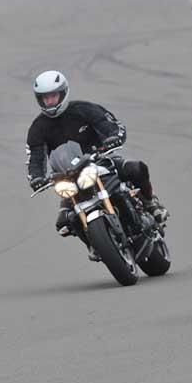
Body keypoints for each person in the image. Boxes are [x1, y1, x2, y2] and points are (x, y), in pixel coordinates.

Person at [26, 71, 168, 259]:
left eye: (53, 96)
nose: (50, 101)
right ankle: (94, 244)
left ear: (63, 93)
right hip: (69, 177)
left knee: (136, 168)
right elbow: (35, 157)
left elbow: (110, 124)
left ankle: (150, 203)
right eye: (45, 98)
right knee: (64, 221)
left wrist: (113, 137)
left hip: (100, 161)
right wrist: (36, 177)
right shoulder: (37, 128)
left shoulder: (84, 109)